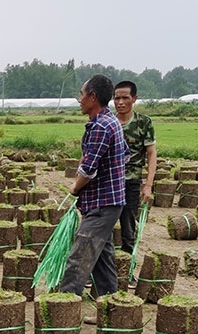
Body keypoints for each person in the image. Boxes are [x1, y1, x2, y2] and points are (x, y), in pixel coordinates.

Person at [60, 74, 129, 299]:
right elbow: (123, 154)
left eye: (81, 94)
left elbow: (88, 169)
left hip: (103, 203)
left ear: (92, 97)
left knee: (79, 257)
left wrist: (74, 188)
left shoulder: (102, 125)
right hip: (106, 201)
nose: (79, 99)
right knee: (102, 258)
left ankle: (63, 305)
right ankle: (111, 307)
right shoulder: (109, 122)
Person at [114, 80, 157, 254]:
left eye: (125, 98)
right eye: (117, 98)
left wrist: (148, 185)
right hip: (108, 183)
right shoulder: (108, 122)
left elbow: (151, 154)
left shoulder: (143, 123)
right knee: (102, 227)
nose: (120, 102)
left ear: (134, 99)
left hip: (131, 182)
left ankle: (126, 269)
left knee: (128, 226)